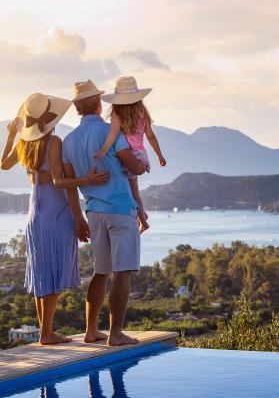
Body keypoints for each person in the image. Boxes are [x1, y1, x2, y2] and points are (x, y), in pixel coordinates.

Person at [0, 93, 109, 345]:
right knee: (53, 272)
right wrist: (86, 181)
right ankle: (47, 333)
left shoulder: (24, 145)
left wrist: (10, 135)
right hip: (55, 214)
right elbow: (61, 183)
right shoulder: (54, 142)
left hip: (34, 215)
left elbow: (3, 165)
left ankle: (44, 332)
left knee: (42, 273)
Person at [62, 79, 147, 346]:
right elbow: (132, 165)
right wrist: (142, 163)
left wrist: (78, 217)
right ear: (100, 103)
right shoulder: (111, 131)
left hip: (93, 212)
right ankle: (115, 333)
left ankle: (90, 330)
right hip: (120, 210)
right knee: (122, 273)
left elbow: (70, 187)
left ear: (77, 108)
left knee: (100, 272)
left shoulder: (68, 141)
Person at [94, 76, 166, 233]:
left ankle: (143, 221)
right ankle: (142, 214)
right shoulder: (142, 113)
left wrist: (103, 151)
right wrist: (160, 156)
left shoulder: (117, 114)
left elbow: (113, 134)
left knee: (131, 192)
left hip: (126, 156)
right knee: (134, 191)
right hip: (140, 155)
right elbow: (151, 136)